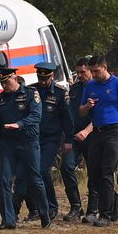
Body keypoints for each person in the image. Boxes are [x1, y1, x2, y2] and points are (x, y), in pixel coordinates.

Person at [74, 55, 118, 227]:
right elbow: (81, 112)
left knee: (107, 172)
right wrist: (87, 106)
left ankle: (105, 214)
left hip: (114, 132)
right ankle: (114, 201)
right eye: (92, 72)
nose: (94, 75)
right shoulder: (90, 86)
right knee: (94, 173)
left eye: (96, 71)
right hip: (97, 132)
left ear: (105, 67)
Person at [0, 70, 48, 230]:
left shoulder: (30, 93)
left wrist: (19, 124)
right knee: (4, 180)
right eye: (1, 83)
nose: (4, 86)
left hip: (28, 141)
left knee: (35, 179)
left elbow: (36, 116)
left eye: (7, 82)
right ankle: (8, 220)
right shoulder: (0, 99)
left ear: (15, 78)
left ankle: (44, 215)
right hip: (8, 144)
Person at [33, 61, 75, 222]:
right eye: (40, 78)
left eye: (45, 78)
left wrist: (69, 140)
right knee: (34, 172)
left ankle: (51, 206)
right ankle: (39, 207)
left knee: (43, 170)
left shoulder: (59, 93)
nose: (43, 81)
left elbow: (68, 119)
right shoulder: (32, 90)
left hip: (52, 138)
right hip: (34, 137)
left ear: (51, 76)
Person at [60, 57, 92, 221]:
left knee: (94, 173)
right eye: (78, 72)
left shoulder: (97, 87)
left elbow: (101, 115)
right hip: (75, 136)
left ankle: (94, 208)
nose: (80, 75)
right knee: (66, 167)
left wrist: (87, 131)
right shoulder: (74, 89)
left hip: (94, 135)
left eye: (83, 72)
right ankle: (75, 206)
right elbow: (70, 115)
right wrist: (67, 138)